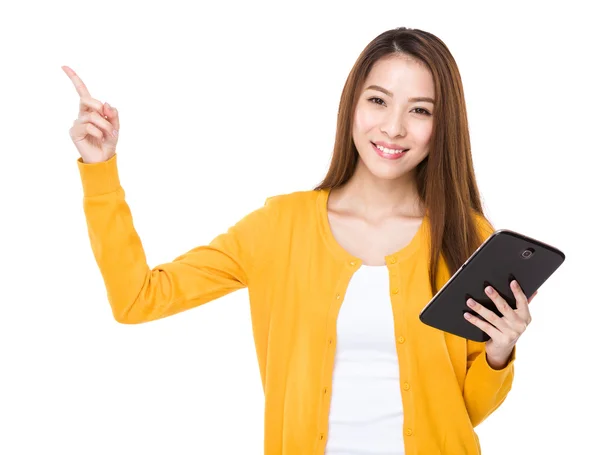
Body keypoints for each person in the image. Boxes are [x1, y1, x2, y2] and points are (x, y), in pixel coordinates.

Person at [64, 27, 537, 455]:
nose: (393, 127)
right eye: (377, 101)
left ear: (443, 125)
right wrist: (100, 171)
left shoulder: (469, 237)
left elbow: (466, 413)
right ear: (352, 104)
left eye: (419, 110)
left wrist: (499, 353)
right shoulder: (280, 227)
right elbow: (137, 299)